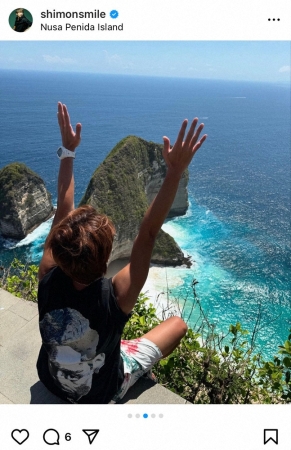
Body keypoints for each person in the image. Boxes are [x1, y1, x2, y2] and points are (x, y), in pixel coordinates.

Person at [37, 102, 207, 404]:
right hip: (101, 394)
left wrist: (68, 152)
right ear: (106, 261)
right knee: (177, 326)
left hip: (50, 379)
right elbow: (149, 233)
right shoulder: (116, 297)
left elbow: (63, 210)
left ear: (59, 251)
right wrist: (176, 171)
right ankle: (133, 373)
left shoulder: (48, 275)